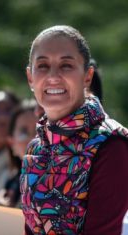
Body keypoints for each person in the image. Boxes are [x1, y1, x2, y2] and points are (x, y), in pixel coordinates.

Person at [21, 25, 128, 234]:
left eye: (66, 65)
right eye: (42, 65)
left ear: (87, 76)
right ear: (30, 78)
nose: (53, 76)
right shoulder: (35, 147)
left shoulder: (112, 145)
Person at [0, 99, 38, 208]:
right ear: (11, 143)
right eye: (24, 132)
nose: (33, 139)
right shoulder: (10, 183)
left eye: (40, 130)